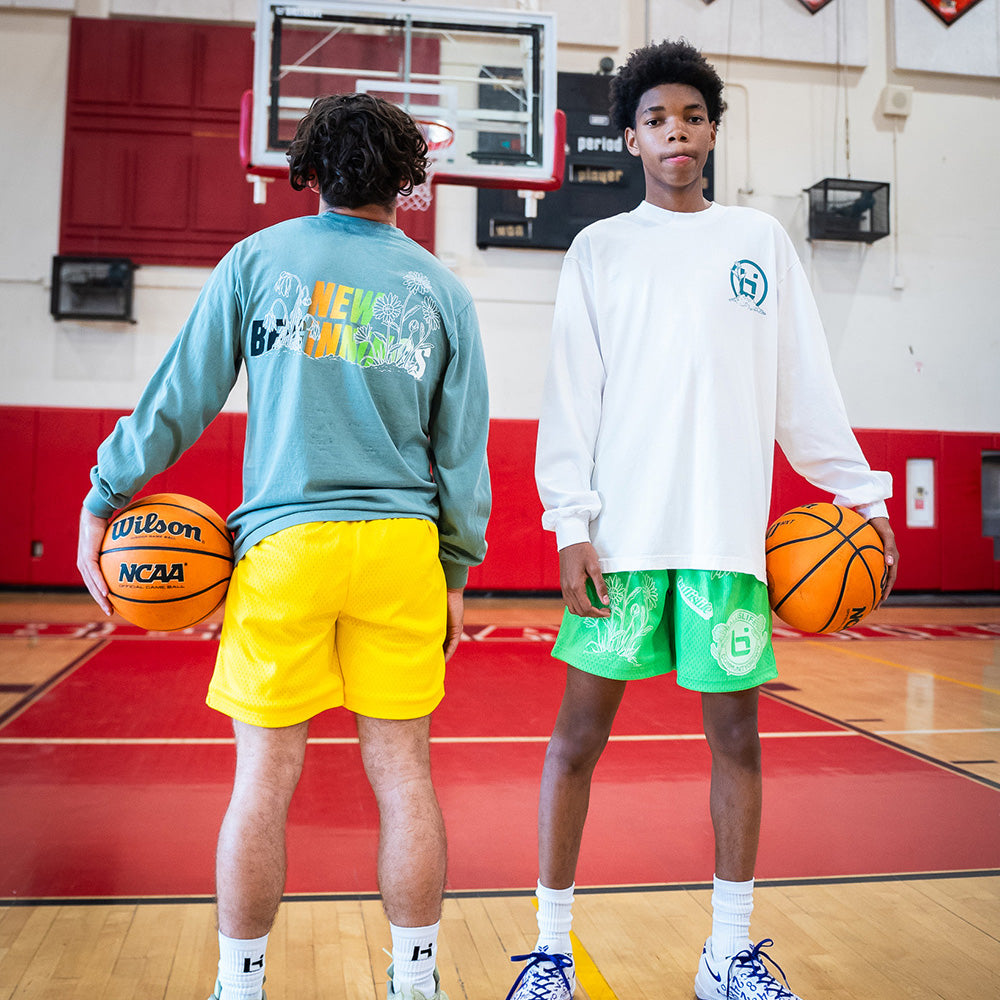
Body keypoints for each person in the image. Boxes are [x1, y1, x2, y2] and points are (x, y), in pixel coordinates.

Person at [504, 40, 898, 1000]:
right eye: (655, 119)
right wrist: (570, 524)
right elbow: (571, 399)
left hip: (725, 539)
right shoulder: (601, 249)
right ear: (630, 139)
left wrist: (864, 497)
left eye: (691, 116)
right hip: (623, 542)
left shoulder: (760, 241)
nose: (674, 131)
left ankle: (727, 955)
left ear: (713, 131)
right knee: (576, 741)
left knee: (738, 742)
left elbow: (804, 387)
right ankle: (550, 952)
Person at [76, 93, 491, 1000]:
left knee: (262, 783)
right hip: (401, 552)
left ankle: (240, 985)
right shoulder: (443, 291)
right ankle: (416, 981)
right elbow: (464, 455)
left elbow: (178, 398)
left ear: (306, 170)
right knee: (404, 777)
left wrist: (106, 494)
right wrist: (456, 572)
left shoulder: (257, 260)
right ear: (409, 178)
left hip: (286, 549)